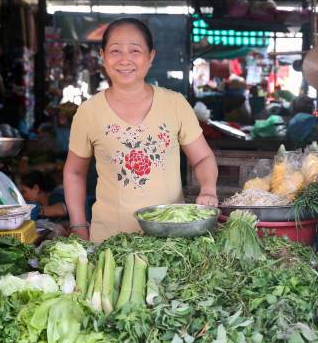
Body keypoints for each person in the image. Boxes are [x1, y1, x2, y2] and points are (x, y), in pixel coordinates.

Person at [64, 18, 218, 243]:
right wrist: (78, 225)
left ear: (150, 57)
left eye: (135, 50)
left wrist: (208, 188)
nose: (125, 59)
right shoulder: (89, 111)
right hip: (110, 240)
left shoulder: (175, 104)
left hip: (171, 239)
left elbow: (203, 157)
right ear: (103, 56)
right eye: (115, 50)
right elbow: (74, 173)